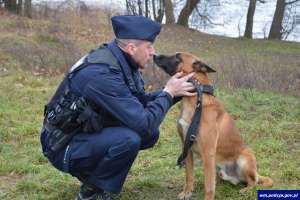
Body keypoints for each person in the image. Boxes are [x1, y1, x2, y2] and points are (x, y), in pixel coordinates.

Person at [40, 15, 196, 200]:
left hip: (83, 133)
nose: (153, 52)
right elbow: (144, 123)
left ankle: (97, 177)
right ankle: (91, 192)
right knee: (129, 138)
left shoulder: (122, 62)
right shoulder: (102, 73)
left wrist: (175, 93)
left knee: (148, 135)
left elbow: (138, 102)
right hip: (62, 145)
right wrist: (168, 93)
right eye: (149, 46)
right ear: (132, 48)